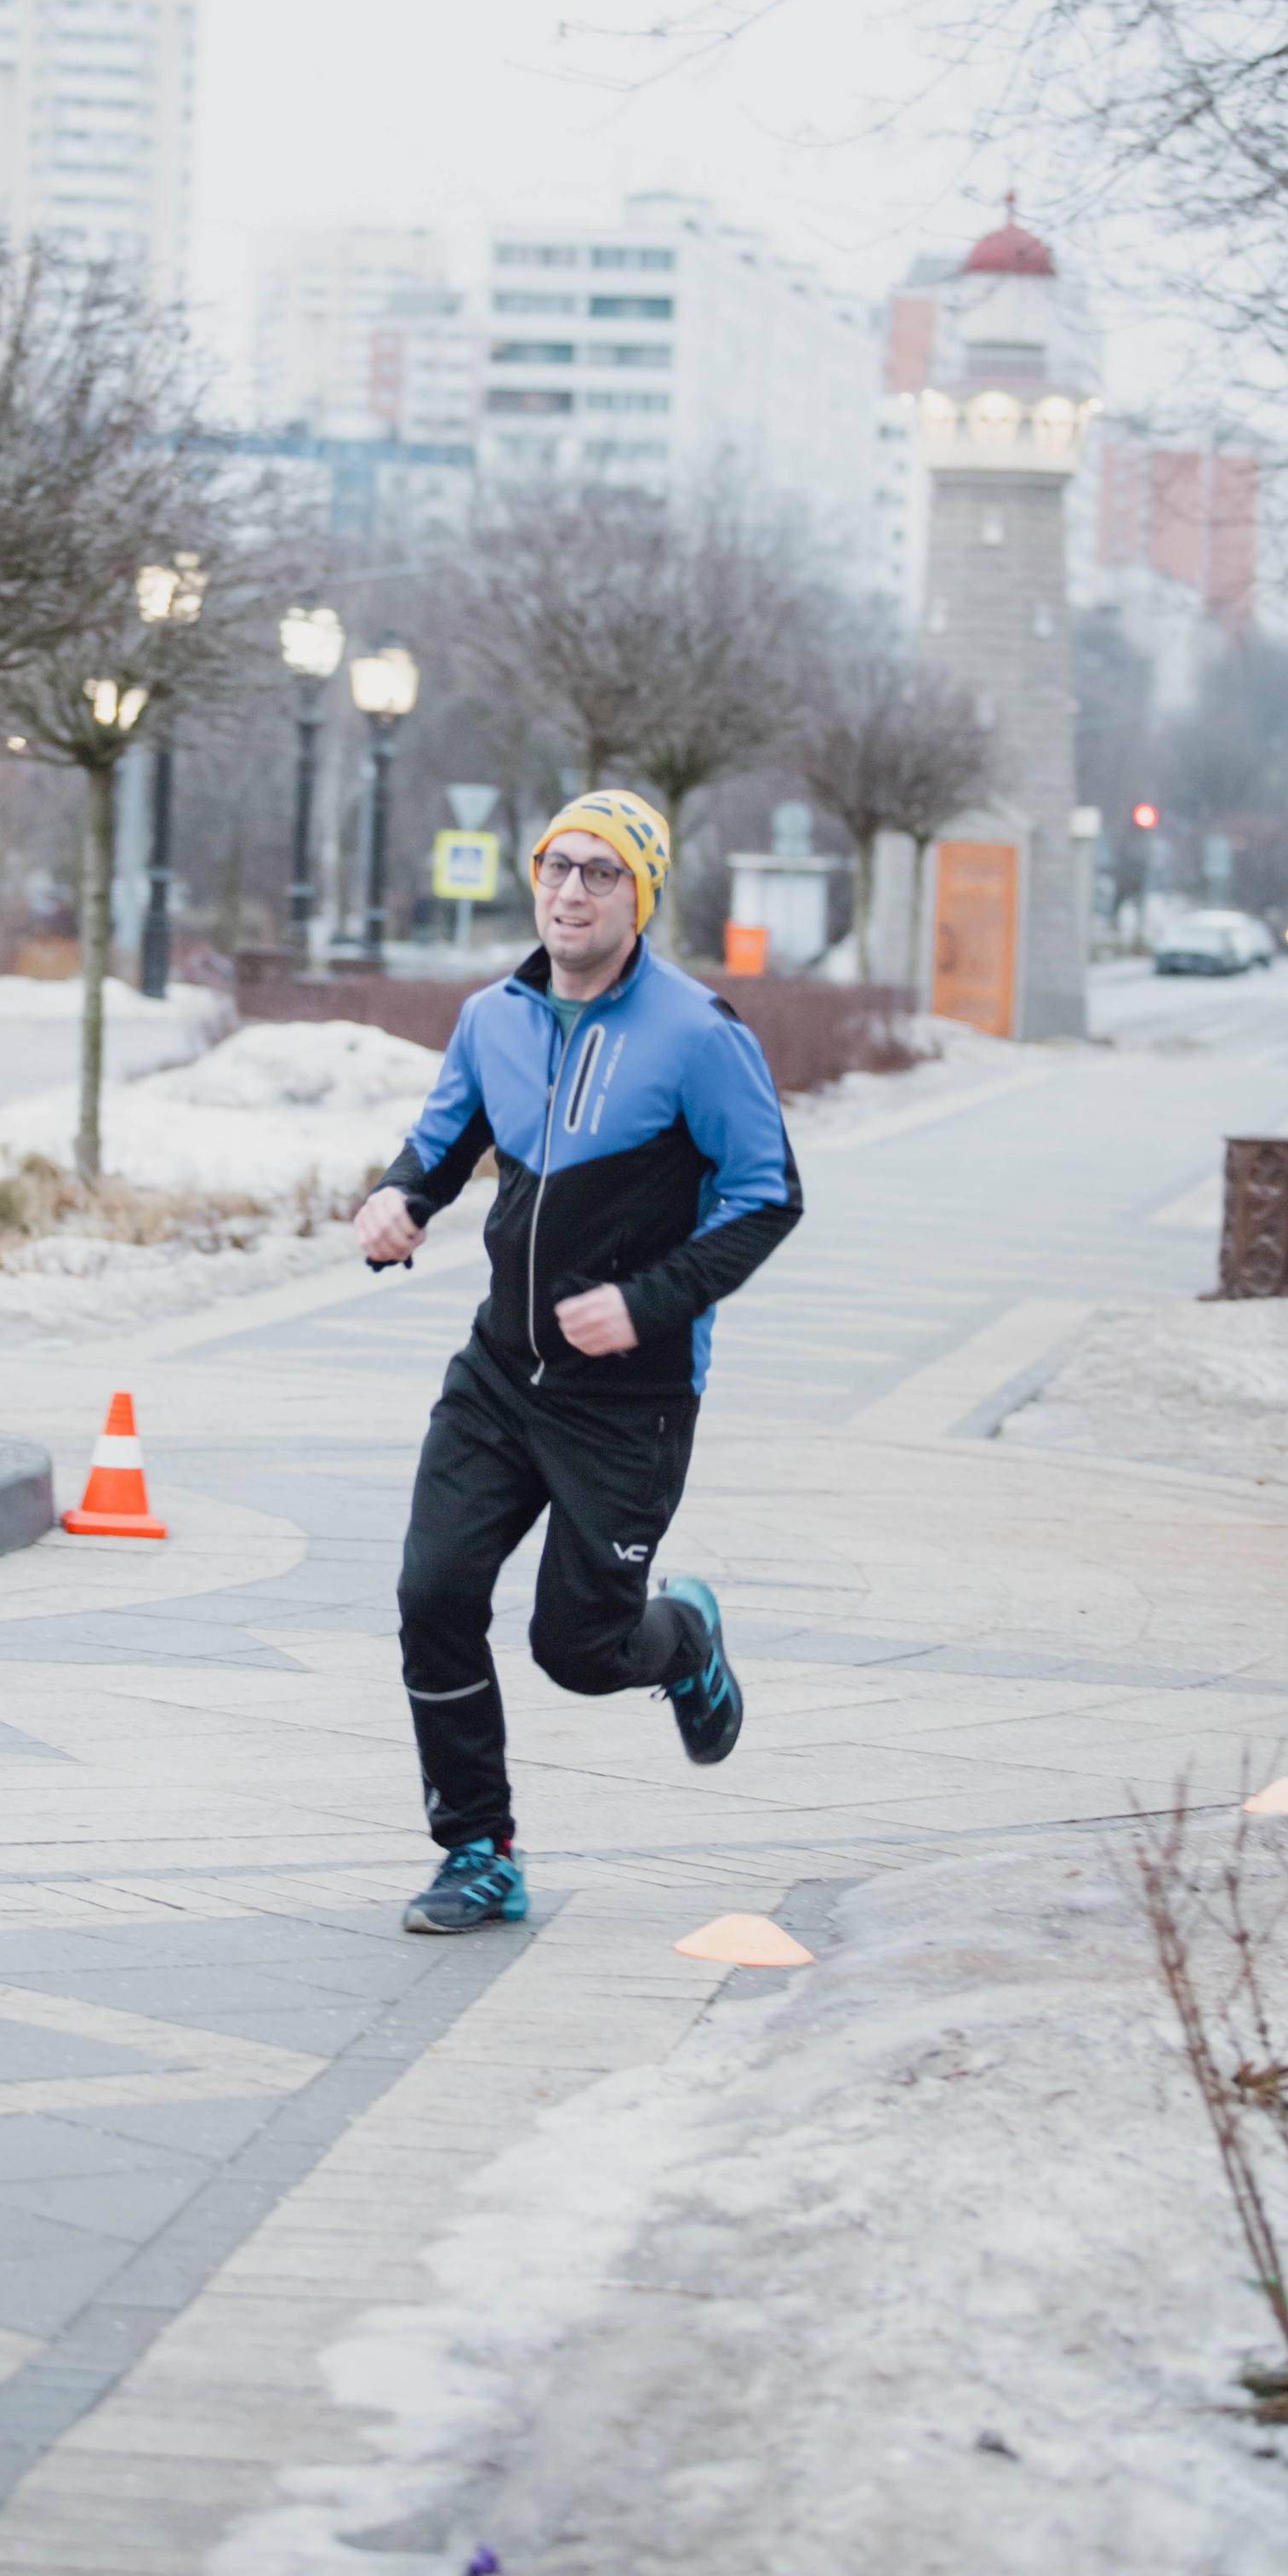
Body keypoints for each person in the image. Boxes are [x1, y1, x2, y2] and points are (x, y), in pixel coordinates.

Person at [355, 788, 803, 1935]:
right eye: (558, 865)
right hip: (501, 1375)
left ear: (639, 896)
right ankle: (478, 1850)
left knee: (580, 1648)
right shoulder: (491, 1016)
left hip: (630, 1400)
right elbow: (443, 1142)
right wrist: (399, 1199)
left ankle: (684, 1639)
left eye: (602, 873)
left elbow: (768, 1198)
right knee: (433, 1596)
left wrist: (646, 1306)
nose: (571, 891)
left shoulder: (700, 1035)